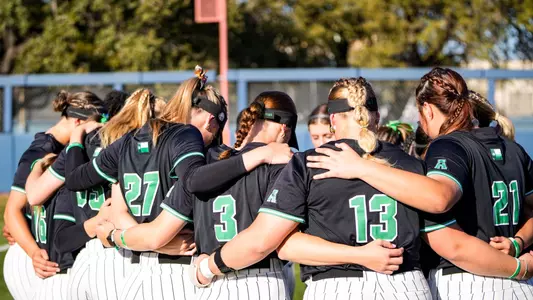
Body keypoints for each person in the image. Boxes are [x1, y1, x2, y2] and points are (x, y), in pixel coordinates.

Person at [194, 77, 432, 299]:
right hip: (406, 285)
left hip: (336, 286)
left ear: (333, 120)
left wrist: (207, 267)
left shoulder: (309, 163)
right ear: (376, 117)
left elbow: (268, 243)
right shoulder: (411, 164)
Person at [305, 67, 533, 299]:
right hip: (519, 286)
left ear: (427, 109)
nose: (419, 121)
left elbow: (440, 203)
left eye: (419, 112)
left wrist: (362, 167)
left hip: (467, 279)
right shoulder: (514, 149)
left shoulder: (447, 146)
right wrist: (519, 243)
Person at [66, 67, 291, 300]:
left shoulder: (128, 140)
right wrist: (260, 154)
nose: (213, 140)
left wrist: (74, 140)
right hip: (178, 270)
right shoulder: (187, 136)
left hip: (133, 270)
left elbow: (77, 181)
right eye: (215, 131)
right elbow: (194, 180)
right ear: (211, 120)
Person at [25, 90, 132, 300]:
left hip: (85, 260)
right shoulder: (134, 146)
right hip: (127, 255)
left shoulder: (77, 146)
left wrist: (37, 166)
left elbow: (34, 196)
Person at [3, 90, 104, 300]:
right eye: (95, 122)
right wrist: (33, 252)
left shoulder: (59, 147)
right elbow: (11, 212)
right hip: (31, 255)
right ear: (78, 121)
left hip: (43, 250)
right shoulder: (43, 150)